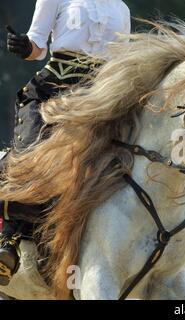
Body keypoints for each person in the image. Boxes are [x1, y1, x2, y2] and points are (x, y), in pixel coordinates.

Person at [0, 0, 131, 286]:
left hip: (101, 96)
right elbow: (38, 45)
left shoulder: (121, 8)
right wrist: (26, 47)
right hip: (53, 89)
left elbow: (123, 62)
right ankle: (9, 238)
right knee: (32, 153)